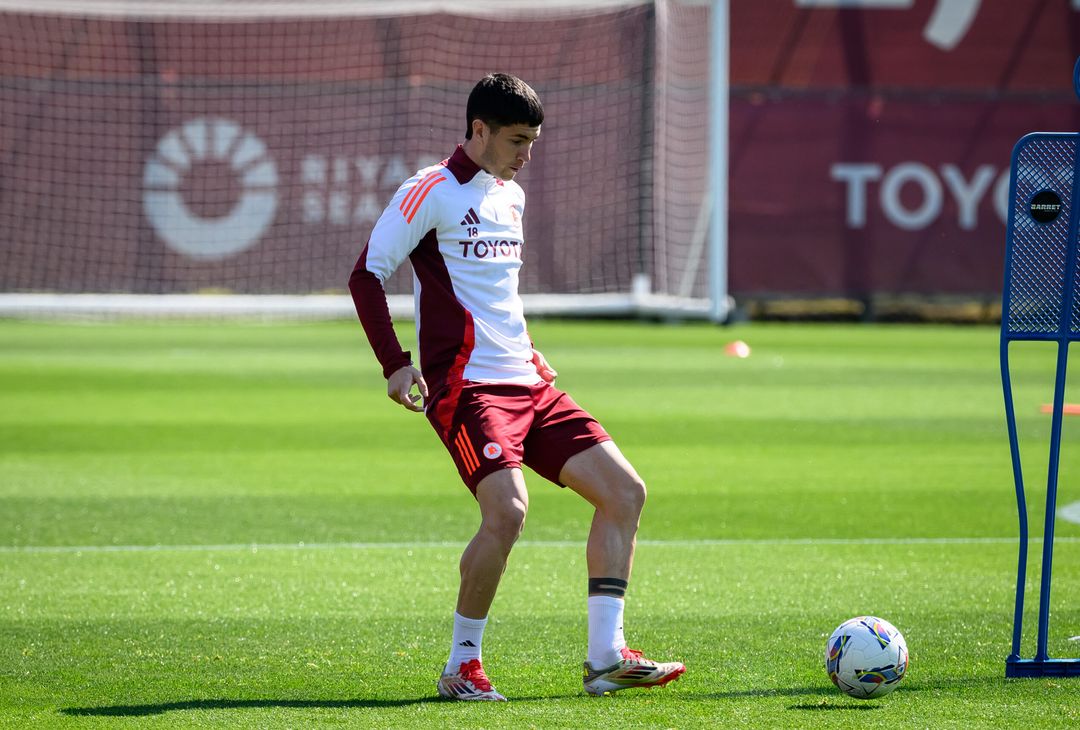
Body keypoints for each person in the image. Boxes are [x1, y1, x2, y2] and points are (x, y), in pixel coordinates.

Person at [348, 73, 685, 701]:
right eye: (516, 140)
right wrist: (395, 363)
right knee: (507, 511)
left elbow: (496, 296)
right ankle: (462, 665)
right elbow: (366, 273)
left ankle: (606, 658)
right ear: (479, 130)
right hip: (468, 388)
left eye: (532, 141)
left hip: (528, 382)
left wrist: (527, 351)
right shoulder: (431, 189)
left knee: (625, 492)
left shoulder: (511, 196)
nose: (526, 154)